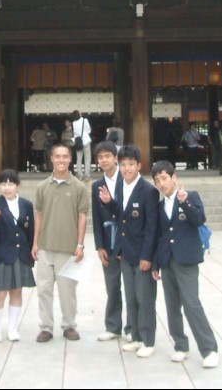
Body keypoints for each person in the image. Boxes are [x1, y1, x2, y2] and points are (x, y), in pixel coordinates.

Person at [150, 161, 219, 368]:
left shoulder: (191, 196)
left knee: (191, 303)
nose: (161, 184)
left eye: (164, 178)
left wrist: (186, 202)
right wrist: (156, 264)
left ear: (174, 178)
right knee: (172, 305)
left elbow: (199, 219)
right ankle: (180, 345)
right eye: (157, 181)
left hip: (187, 259)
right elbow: (160, 237)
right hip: (167, 260)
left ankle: (209, 349)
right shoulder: (159, 206)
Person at [99, 144, 158, 358]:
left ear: (139, 166)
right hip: (125, 253)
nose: (126, 168)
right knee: (131, 297)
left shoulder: (149, 191)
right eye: (123, 164)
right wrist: (110, 203)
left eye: (131, 164)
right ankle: (136, 335)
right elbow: (122, 215)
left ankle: (149, 340)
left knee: (145, 298)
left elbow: (152, 227)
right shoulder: (121, 186)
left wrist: (147, 256)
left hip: (142, 254)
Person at [31, 143, 90, 343]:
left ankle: (69, 325)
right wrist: (35, 243)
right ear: (52, 159)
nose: (61, 160)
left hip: (68, 248)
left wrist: (80, 244)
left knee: (67, 291)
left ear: (71, 159)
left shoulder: (78, 187)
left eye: (65, 156)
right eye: (58, 156)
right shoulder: (42, 187)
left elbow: (82, 217)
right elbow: (38, 215)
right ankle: (46, 327)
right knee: (44, 290)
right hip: (45, 247)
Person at [0, 169, 35, 342]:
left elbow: (30, 231)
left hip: (20, 254)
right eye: (3, 184)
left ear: (17, 185)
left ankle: (13, 328)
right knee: (0, 293)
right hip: (2, 255)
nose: (7, 188)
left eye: (10, 183)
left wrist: (31, 253)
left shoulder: (26, 205)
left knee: (17, 292)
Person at [90, 140, 131, 343]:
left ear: (116, 158)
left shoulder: (127, 179)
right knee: (112, 286)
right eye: (100, 157)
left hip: (129, 242)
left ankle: (132, 327)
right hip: (109, 241)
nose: (104, 160)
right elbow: (96, 218)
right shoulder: (97, 185)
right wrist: (99, 245)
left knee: (132, 287)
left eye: (108, 156)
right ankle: (113, 326)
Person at [72, 110, 93, 181]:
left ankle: (80, 175)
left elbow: (75, 134)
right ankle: (87, 175)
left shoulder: (73, 123)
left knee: (79, 159)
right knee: (87, 158)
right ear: (79, 114)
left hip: (78, 142)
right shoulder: (85, 120)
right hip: (86, 141)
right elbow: (89, 130)